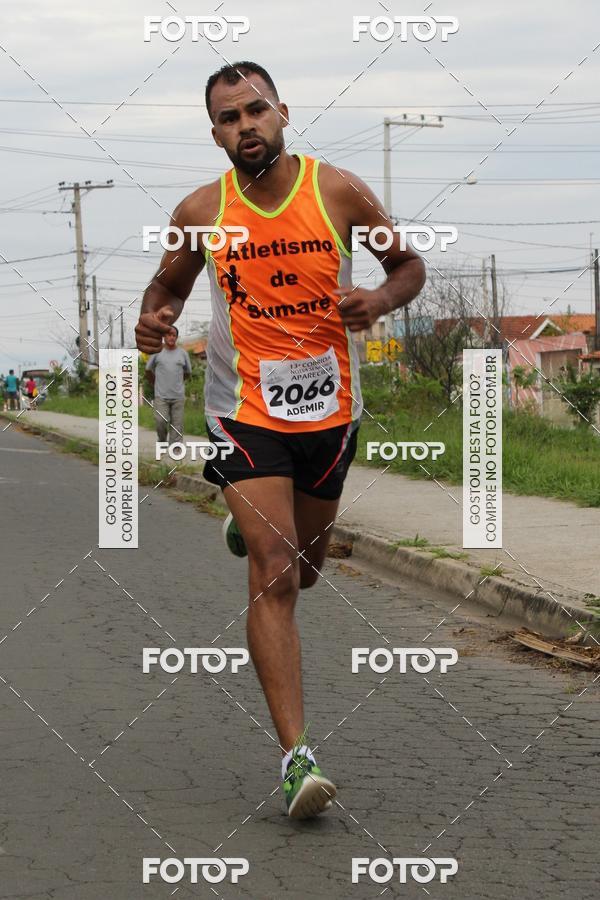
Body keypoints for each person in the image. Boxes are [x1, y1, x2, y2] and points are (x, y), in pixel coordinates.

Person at [135, 61, 425, 819]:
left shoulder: (339, 191)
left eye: (255, 110)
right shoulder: (202, 210)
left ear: (283, 111)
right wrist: (154, 318)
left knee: (309, 569)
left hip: (330, 413)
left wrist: (381, 298)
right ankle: (298, 760)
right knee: (275, 575)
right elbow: (167, 286)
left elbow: (408, 265)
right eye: (229, 119)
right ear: (215, 133)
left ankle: (251, 520)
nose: (246, 126)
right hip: (245, 410)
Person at [144, 326, 192, 446]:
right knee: (160, 421)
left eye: (174, 335)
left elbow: (188, 372)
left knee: (177, 424)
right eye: (168, 335)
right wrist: (155, 383)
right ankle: (162, 440)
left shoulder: (183, 353)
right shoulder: (157, 352)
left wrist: (177, 383)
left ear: (176, 337)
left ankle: (175, 448)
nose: (171, 337)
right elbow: (148, 370)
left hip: (178, 396)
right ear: (164, 337)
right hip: (161, 396)